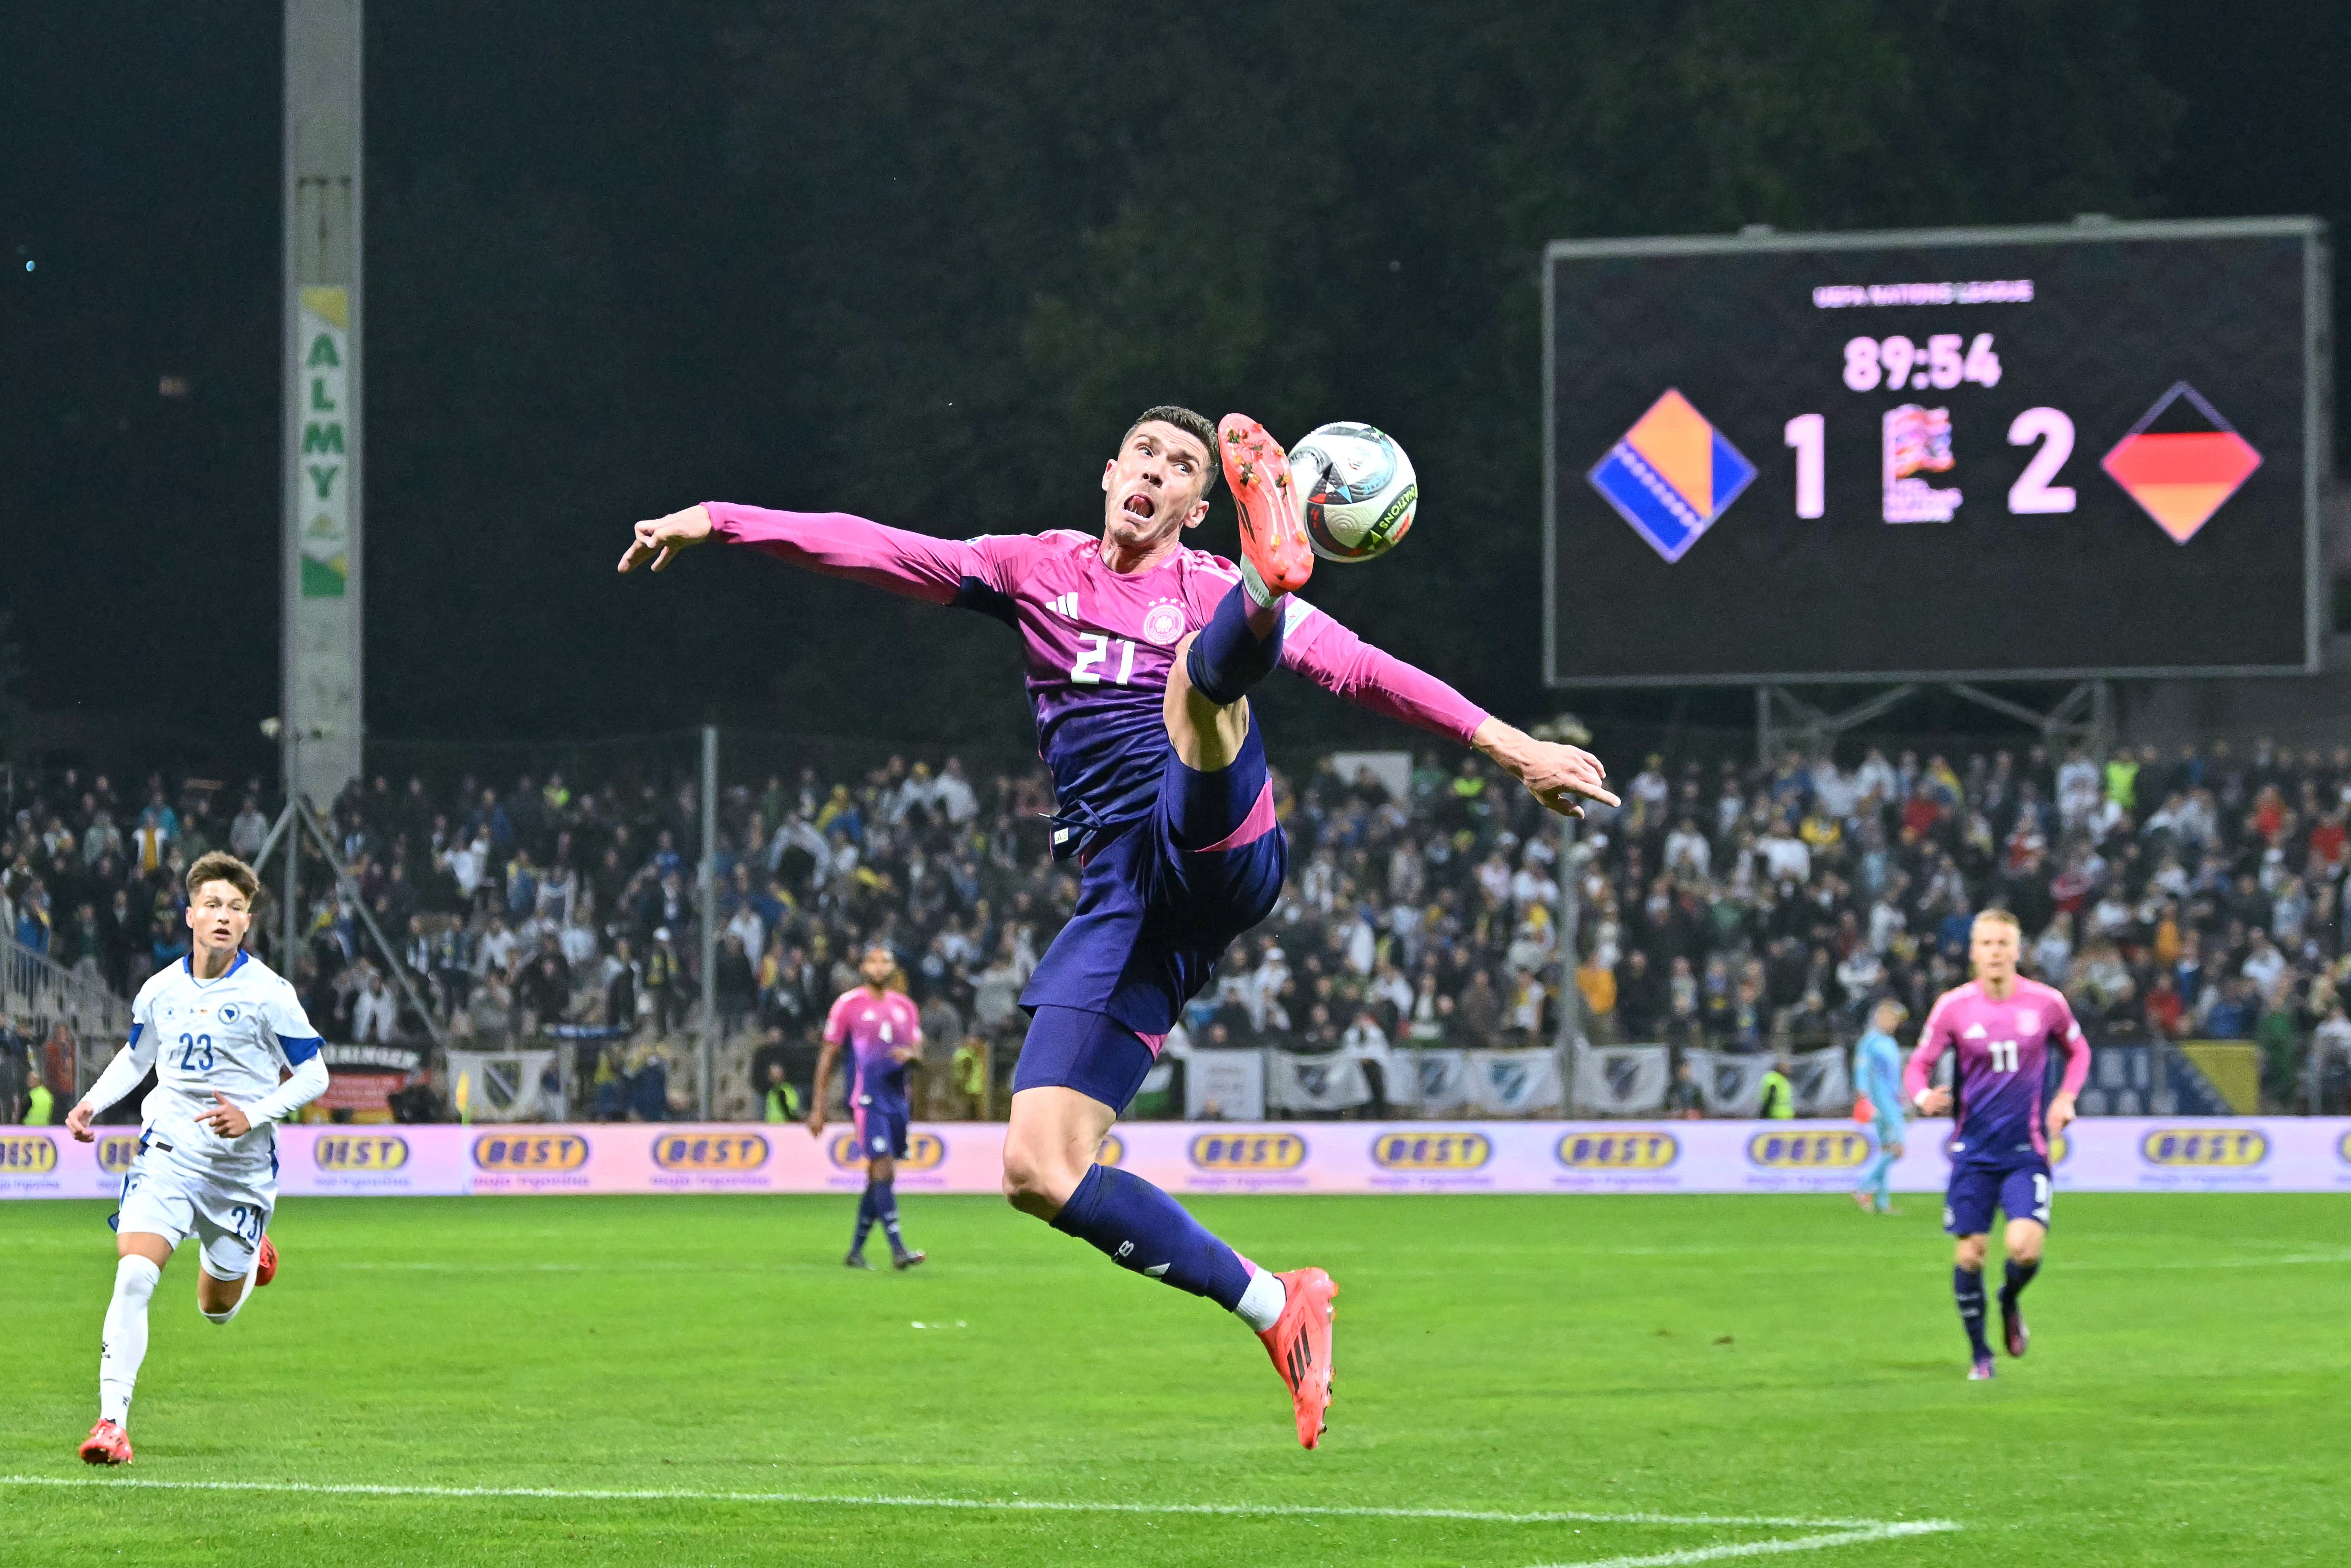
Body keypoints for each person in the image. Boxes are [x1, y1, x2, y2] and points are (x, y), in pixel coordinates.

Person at [619, 404, 1614, 1448]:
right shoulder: (1032, 570)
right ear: (1108, 474)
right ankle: (1279, 1308)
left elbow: (1364, 670)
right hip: (1125, 903)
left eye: (1184, 465)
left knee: (1200, 683)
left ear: (1198, 504)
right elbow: (877, 547)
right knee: (1036, 1170)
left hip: (1219, 841)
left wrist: (1511, 748)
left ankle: (1268, 585)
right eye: (1145, 452)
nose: (1158, 469)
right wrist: (720, 520)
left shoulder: (1195, 587)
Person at [62, 852, 328, 1464]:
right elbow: (137, 1057)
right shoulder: (161, 989)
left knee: (216, 1311)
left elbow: (314, 1073)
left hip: (240, 1170)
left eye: (236, 907)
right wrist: (91, 1103)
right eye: (213, 904)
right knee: (133, 1275)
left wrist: (254, 1112)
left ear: (247, 923)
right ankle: (112, 1425)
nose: (224, 915)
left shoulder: (270, 994)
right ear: (190, 914)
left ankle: (251, 1251)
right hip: (170, 1152)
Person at [1905, 909, 2090, 1382]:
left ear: (2018, 950)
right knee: (1970, 1255)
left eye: (2003, 944)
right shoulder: (1953, 1006)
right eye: (1986, 944)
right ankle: (1980, 1355)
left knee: (2024, 1248)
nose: (1995, 952)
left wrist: (2066, 1096)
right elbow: (1919, 1064)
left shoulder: (2046, 1003)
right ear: (1973, 952)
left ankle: (2008, 1300)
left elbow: (2079, 1050)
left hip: (2025, 1150)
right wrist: (1923, 1096)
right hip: (1973, 1152)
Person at [808, 943, 927, 1270]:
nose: (879, 967)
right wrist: (817, 1106)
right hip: (867, 1098)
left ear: (893, 967)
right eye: (873, 961)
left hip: (898, 1101)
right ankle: (898, 1249)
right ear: (863, 967)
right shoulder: (849, 1005)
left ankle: (856, 1251)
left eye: (885, 961)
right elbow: (829, 1054)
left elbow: (918, 1049)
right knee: (883, 1167)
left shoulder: (905, 1006)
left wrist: (914, 1056)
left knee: (880, 1177)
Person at [1850, 998, 1908, 1215]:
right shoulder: (1870, 1042)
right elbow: (1862, 1069)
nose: (1895, 1023)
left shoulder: (1890, 1042)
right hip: (1881, 1102)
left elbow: (1894, 1077)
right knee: (1897, 1148)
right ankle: (1863, 1188)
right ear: (1880, 1017)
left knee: (1887, 1149)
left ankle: (1882, 1203)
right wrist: (1862, 1094)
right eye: (1891, 1018)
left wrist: (1903, 1099)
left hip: (1893, 1101)